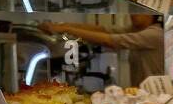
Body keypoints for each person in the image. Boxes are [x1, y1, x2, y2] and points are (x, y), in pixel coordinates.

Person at [37, 15, 165, 87]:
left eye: (138, 10)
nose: (132, 14)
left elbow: (109, 40)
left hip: (155, 94)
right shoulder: (137, 29)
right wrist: (64, 25)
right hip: (142, 92)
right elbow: (103, 30)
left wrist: (66, 29)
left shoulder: (154, 34)